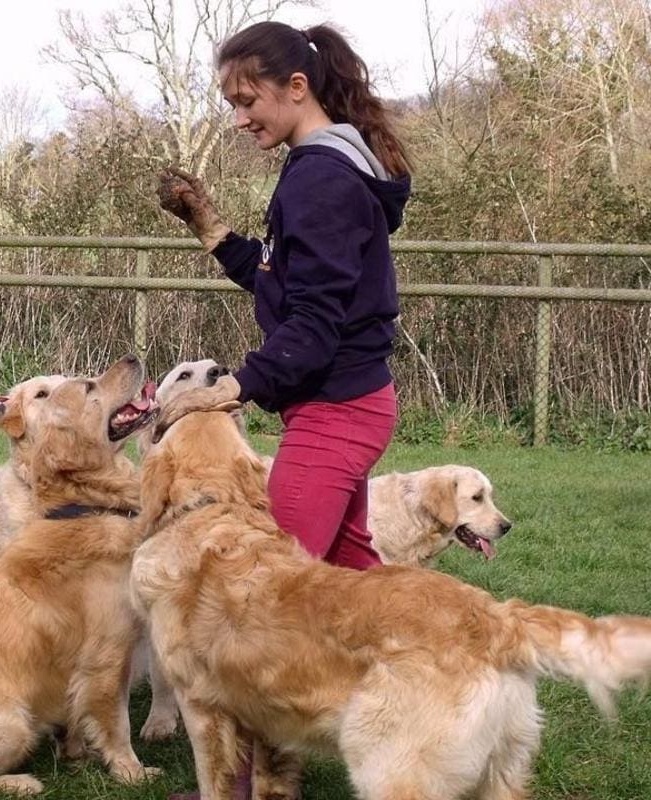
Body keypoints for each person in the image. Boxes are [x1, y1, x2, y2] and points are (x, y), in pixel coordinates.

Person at [157, 20, 412, 798]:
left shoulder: (322, 180)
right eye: (231, 105)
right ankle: (430, 695)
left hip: (336, 411)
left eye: (248, 100)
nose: (239, 119)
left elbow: (317, 321)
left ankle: (246, 783)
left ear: (296, 87)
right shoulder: (326, 167)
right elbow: (286, 285)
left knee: (257, 604)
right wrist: (208, 228)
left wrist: (234, 388)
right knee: (353, 576)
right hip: (349, 405)